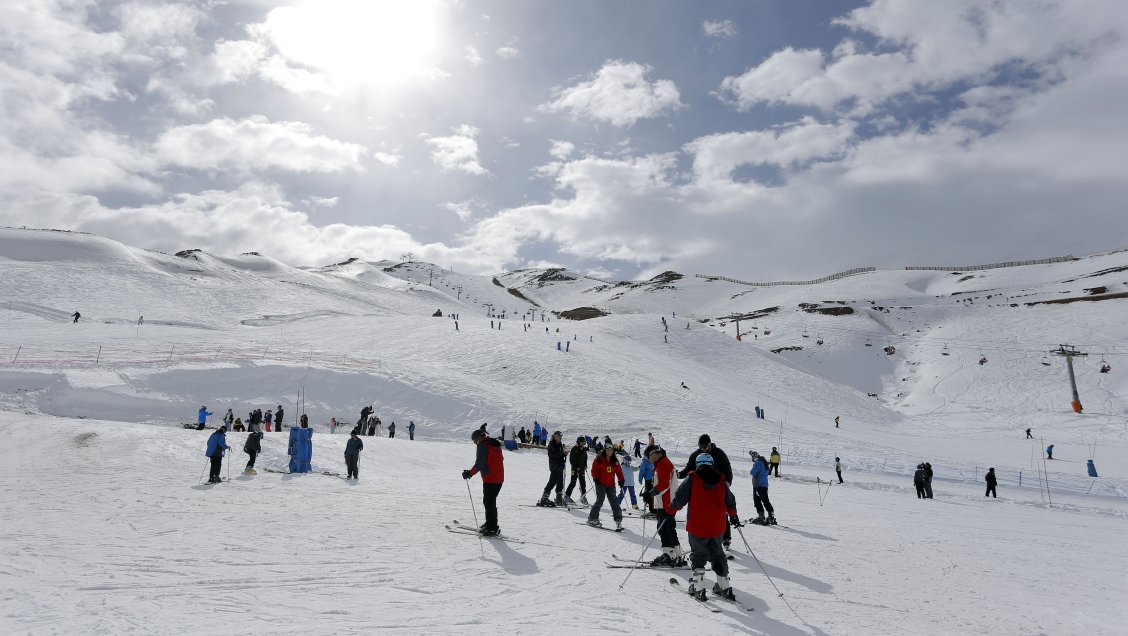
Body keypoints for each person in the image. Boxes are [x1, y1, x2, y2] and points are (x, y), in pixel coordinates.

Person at [668, 453, 740, 601]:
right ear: (711, 464)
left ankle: (699, 587)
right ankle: (724, 585)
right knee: (718, 553)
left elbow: (680, 498)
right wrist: (733, 514)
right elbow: (730, 500)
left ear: (698, 464)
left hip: (698, 526)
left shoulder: (693, 478)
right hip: (717, 527)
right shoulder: (721, 480)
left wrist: (671, 510)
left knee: (699, 554)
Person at [681, 435, 734, 554]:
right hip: (701, 488)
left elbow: (727, 469)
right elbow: (689, 468)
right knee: (703, 513)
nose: (703, 449)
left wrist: (727, 483)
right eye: (701, 447)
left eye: (705, 447)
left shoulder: (719, 453)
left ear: (710, 444)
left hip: (718, 487)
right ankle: (704, 539)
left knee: (721, 512)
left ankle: (726, 539)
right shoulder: (696, 454)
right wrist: (679, 474)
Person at [462, 425, 504, 536]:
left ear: (478, 438)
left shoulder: (483, 445)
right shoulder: (493, 443)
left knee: (489, 502)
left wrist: (469, 473)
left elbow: (479, 464)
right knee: (490, 501)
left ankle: (492, 528)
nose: (475, 443)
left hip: (490, 479)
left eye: (474, 441)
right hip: (499, 478)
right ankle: (491, 523)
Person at [648, 445, 686, 566]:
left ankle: (669, 555)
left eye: (648, 456)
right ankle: (677, 554)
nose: (649, 459)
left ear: (654, 454)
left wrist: (651, 493)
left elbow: (664, 484)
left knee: (663, 528)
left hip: (666, 502)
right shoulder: (663, 462)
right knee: (670, 528)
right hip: (668, 501)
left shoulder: (663, 463)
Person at [587, 444, 625, 529]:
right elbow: (594, 470)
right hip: (601, 484)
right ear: (605, 450)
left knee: (614, 502)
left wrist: (621, 480)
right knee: (600, 500)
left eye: (611, 450)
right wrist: (596, 478)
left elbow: (619, 471)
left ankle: (618, 520)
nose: (609, 451)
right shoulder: (599, 459)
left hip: (611, 484)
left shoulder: (615, 460)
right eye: (608, 449)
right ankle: (592, 518)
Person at [538, 431, 567, 507]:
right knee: (552, 482)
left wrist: (564, 453)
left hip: (560, 466)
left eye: (560, 437)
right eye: (558, 436)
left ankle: (558, 499)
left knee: (560, 483)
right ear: (554, 437)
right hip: (554, 466)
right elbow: (552, 455)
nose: (560, 438)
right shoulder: (552, 444)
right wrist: (561, 453)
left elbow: (560, 454)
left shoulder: (559, 444)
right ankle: (544, 499)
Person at [748, 451, 776, 525]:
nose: (752, 458)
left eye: (752, 457)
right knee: (765, 500)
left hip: (758, 485)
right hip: (764, 484)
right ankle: (771, 516)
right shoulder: (764, 462)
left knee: (757, 501)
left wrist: (754, 466)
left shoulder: (758, 463)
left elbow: (752, 472)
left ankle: (761, 517)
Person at [564, 437, 590, 506]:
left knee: (583, 484)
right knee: (573, 483)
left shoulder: (584, 449)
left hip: (582, 469)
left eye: (583, 442)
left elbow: (585, 459)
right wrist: (576, 467)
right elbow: (571, 460)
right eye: (581, 442)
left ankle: (583, 497)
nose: (582, 443)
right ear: (578, 442)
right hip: (574, 469)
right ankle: (567, 496)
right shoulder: (574, 449)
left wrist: (585, 465)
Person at [638, 446, 656, 515]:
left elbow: (642, 470)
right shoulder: (648, 460)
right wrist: (640, 478)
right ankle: (652, 508)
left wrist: (640, 478)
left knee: (651, 493)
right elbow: (642, 470)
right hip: (652, 479)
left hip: (650, 479)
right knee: (652, 493)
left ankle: (653, 508)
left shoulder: (646, 460)